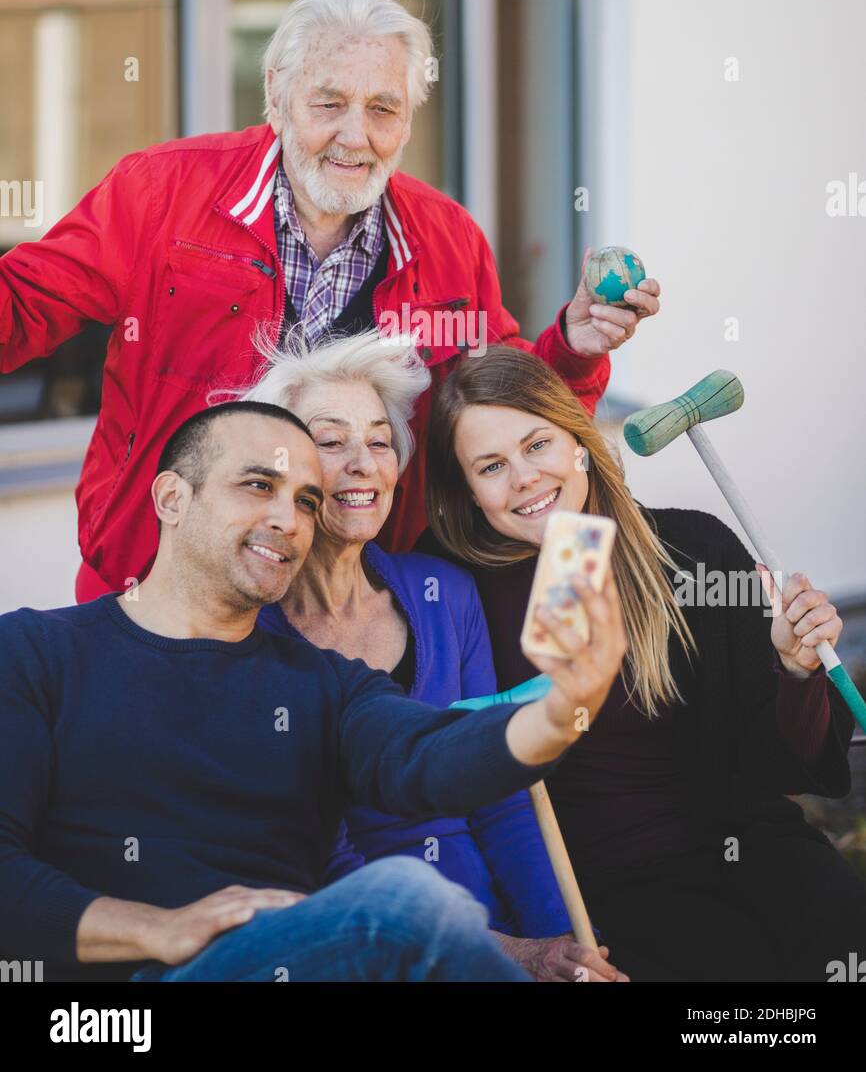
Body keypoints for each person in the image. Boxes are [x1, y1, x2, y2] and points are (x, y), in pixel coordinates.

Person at [0, 0, 662, 604]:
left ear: (407, 119)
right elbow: (23, 305)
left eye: (382, 109)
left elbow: (498, 406)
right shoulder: (160, 193)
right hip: (165, 590)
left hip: (354, 606)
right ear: (277, 93)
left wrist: (575, 345)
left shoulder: (447, 238)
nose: (355, 136)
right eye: (329, 103)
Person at [0, 400, 627, 983]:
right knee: (407, 900)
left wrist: (566, 704)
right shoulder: (35, 651)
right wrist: (158, 928)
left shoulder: (322, 682)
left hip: (297, 961)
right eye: (257, 485)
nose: (287, 519)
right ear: (172, 497)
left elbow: (434, 757)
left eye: (306, 500)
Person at [417, 344, 866, 983]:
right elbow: (449, 756)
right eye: (491, 465)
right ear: (464, 488)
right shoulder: (452, 580)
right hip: (600, 885)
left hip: (744, 842)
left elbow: (776, 765)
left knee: (842, 947)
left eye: (537, 445)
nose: (524, 478)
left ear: (577, 439)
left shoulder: (694, 549)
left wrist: (795, 672)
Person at [243, 329, 627, 983]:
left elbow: (505, 796)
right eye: (330, 442)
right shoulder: (251, 640)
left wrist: (562, 942)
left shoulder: (443, 592)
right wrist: (509, 956)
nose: (361, 462)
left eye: (379, 441)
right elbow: (324, 863)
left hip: (500, 925)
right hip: (367, 946)